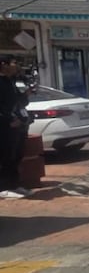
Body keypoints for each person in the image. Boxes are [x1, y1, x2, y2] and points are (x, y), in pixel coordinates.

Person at [0, 55, 31, 199]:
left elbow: (19, 102)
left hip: (17, 123)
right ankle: (3, 187)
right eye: (14, 63)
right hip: (5, 125)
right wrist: (8, 120)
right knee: (4, 156)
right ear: (3, 64)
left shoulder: (10, 80)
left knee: (15, 156)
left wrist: (26, 94)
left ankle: (14, 185)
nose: (16, 65)